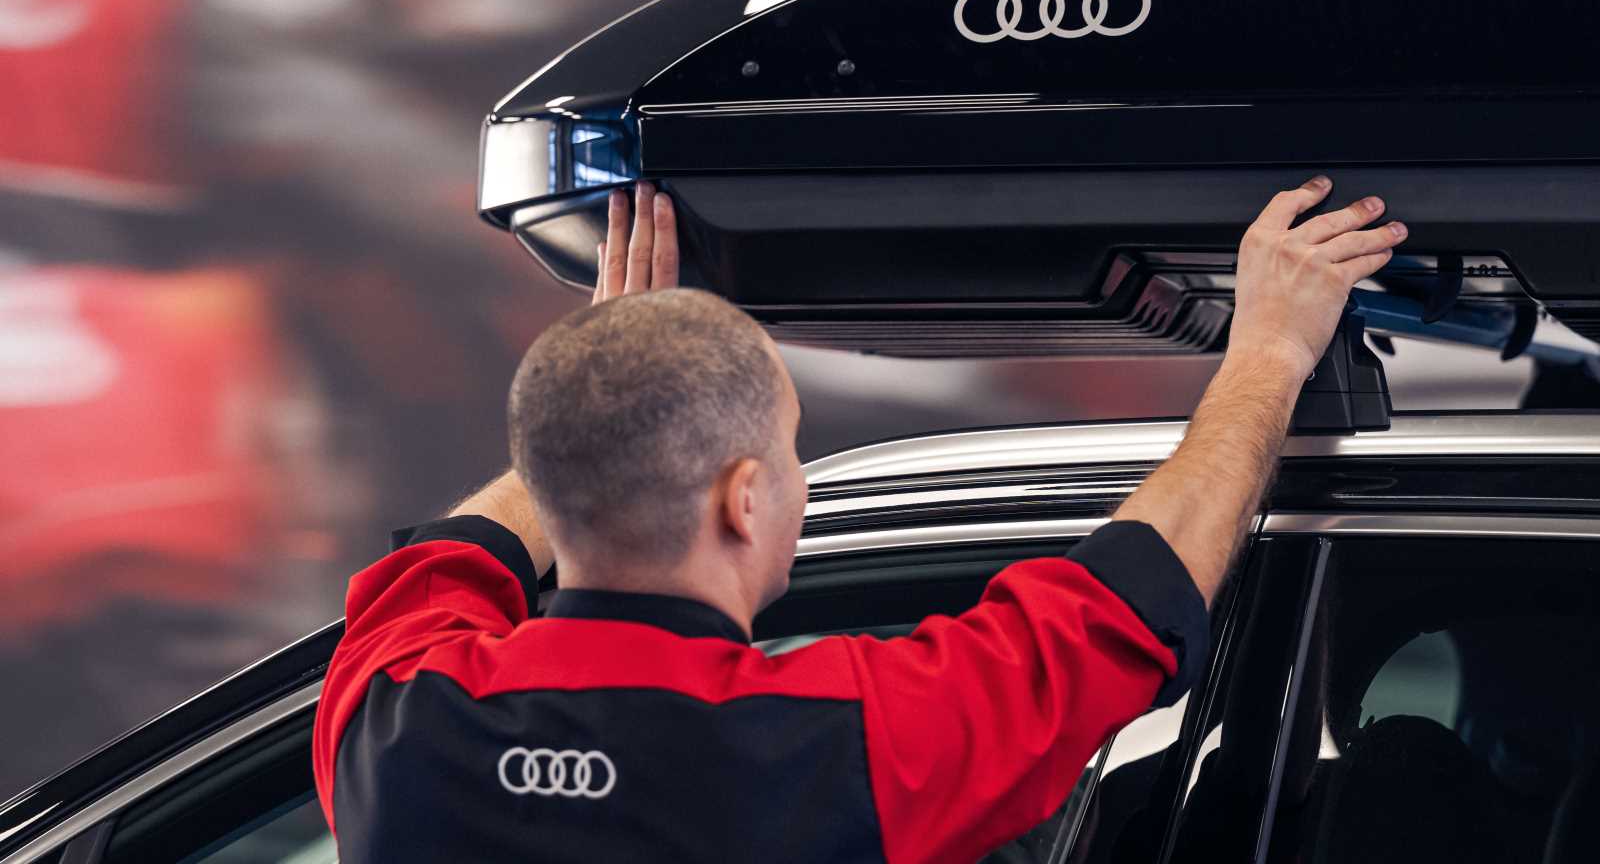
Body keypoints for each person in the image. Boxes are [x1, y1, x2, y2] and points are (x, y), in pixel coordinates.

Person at [313, 177, 1407, 862]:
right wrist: (1269, 351)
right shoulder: (835, 741)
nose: (799, 480)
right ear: (745, 500)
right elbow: (1118, 607)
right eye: (791, 451)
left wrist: (619, 375)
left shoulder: (398, 720)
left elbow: (470, 550)